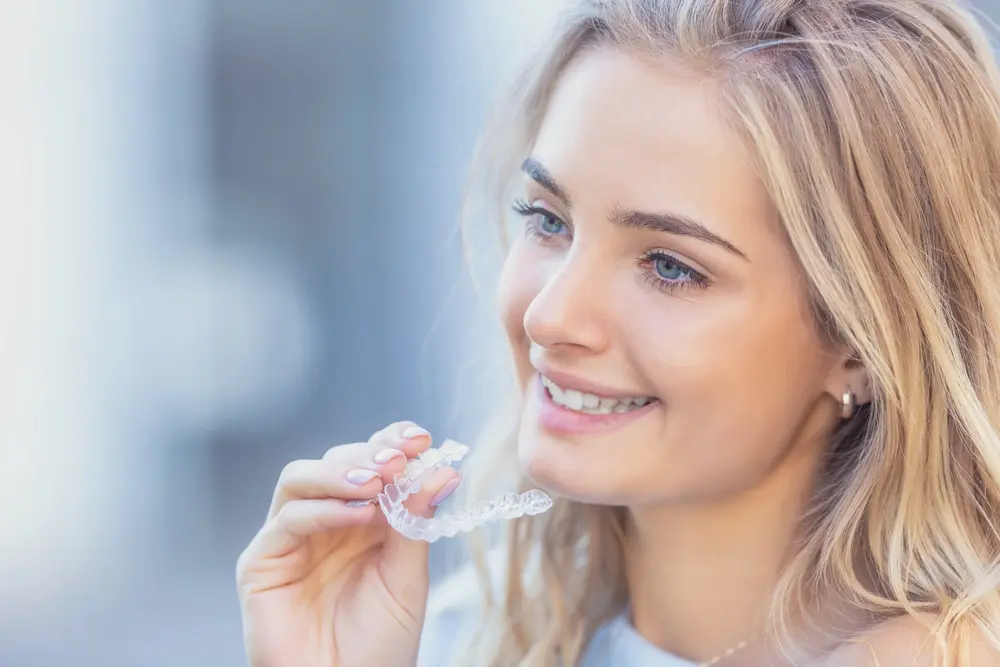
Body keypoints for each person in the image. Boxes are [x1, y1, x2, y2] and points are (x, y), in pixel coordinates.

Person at [235, 0, 1000, 664]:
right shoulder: (449, 634)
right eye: (548, 220)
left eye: (669, 267)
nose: (549, 316)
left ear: (862, 343)